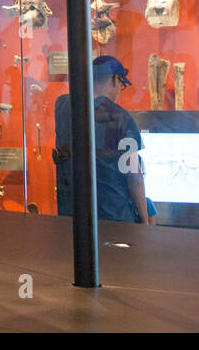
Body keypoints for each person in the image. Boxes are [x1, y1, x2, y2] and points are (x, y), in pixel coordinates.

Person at [52, 55, 155, 224]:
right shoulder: (120, 117)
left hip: (71, 215)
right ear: (115, 79)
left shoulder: (62, 105)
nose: (120, 92)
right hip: (113, 215)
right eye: (122, 86)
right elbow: (135, 178)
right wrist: (145, 220)